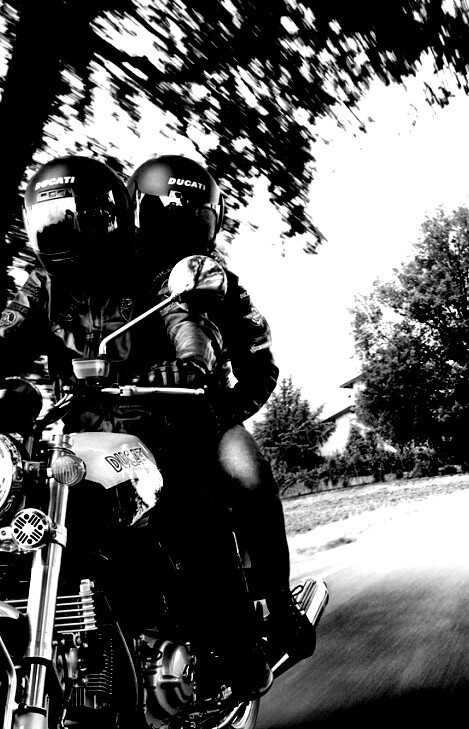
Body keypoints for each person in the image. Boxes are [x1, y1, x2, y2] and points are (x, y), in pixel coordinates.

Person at [0, 154, 274, 698]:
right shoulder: (44, 284)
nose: (66, 231)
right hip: (75, 431)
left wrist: (190, 364)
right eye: (53, 219)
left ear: (112, 217)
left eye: (80, 218)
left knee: (193, 509)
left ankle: (241, 649)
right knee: (1, 513)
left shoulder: (152, 268)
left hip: (158, 422)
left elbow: (184, 322)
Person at [127, 153, 314, 664]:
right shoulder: (115, 278)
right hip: (123, 421)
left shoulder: (221, 283)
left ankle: (279, 606)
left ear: (210, 218)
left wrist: (223, 409)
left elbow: (260, 365)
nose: (179, 223)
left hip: (202, 417)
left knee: (249, 475)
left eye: (192, 213)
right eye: (166, 211)